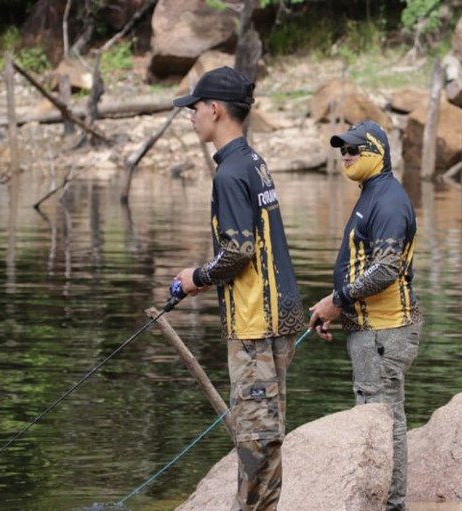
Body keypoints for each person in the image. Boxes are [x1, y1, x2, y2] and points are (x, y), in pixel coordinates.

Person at [172, 66, 305, 511]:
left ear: (214, 109)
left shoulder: (230, 173)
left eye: (194, 107)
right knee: (268, 436)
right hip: (279, 317)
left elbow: (238, 251)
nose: (190, 115)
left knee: (254, 439)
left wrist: (197, 277)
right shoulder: (253, 162)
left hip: (254, 325)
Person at [308, 120, 423, 511]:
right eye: (343, 150)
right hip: (374, 329)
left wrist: (337, 301)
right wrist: (337, 308)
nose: (347, 156)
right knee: (381, 416)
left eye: (354, 149)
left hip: (384, 332)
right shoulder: (373, 193)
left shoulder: (387, 200)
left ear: (377, 153)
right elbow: (367, 268)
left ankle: (391, 505)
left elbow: (387, 269)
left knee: (381, 420)